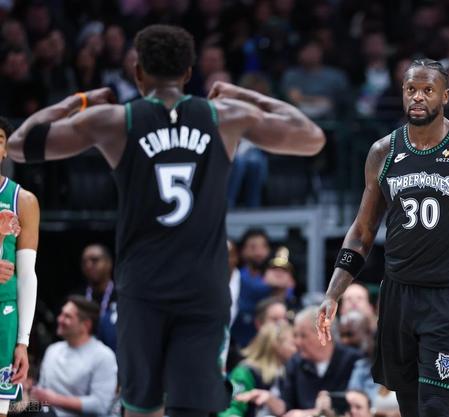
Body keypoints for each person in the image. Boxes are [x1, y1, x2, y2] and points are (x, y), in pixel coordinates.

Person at [7, 24, 325, 417]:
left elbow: (19, 145)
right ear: (189, 73)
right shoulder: (224, 116)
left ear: (138, 73)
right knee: (194, 409)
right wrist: (245, 95)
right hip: (202, 287)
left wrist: (80, 100)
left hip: (143, 287)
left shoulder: (115, 120)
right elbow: (312, 137)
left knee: (142, 408)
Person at [317, 58, 449, 417]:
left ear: (445, 96)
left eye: (428, 90)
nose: (417, 97)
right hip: (399, 293)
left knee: (434, 406)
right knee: (411, 406)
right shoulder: (383, 152)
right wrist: (333, 292)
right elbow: (363, 231)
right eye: (411, 89)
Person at [0, 117, 39, 416]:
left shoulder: (22, 200)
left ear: (5, 150)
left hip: (4, 317)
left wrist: (23, 342)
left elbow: (26, 276)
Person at [31, 296, 117, 417]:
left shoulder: (103, 356)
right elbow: (41, 396)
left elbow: (101, 405)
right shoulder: (52, 350)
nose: (59, 319)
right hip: (43, 413)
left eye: (67, 316)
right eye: (61, 314)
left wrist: (55, 400)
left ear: (86, 325)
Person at [220, 322, 296, 417]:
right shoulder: (246, 371)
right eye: (293, 344)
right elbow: (231, 408)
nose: (296, 349)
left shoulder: (286, 372)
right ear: (276, 344)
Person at [77, 243, 117, 352]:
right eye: (84, 262)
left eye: (94, 260)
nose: (89, 265)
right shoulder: (76, 298)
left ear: (109, 263)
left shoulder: (122, 296)